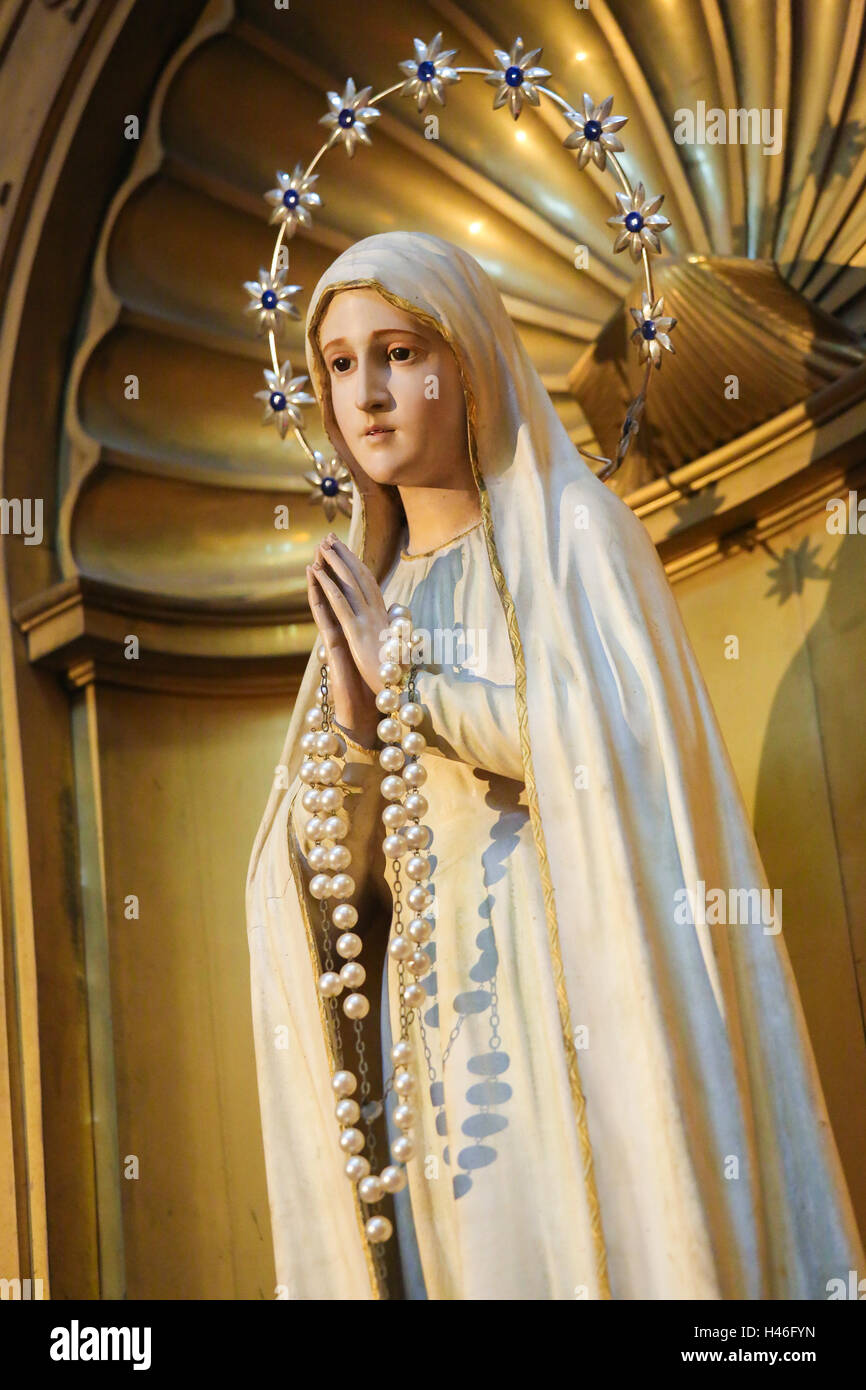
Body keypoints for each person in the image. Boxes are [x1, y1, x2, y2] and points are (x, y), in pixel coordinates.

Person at [246, 229, 864, 1300]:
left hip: (568, 971)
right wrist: (353, 726)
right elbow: (333, 890)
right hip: (434, 1027)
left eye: (398, 351)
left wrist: (412, 685)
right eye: (340, 365)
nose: (369, 391)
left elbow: (613, 759)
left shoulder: (571, 533)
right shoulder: (371, 590)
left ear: (466, 356)